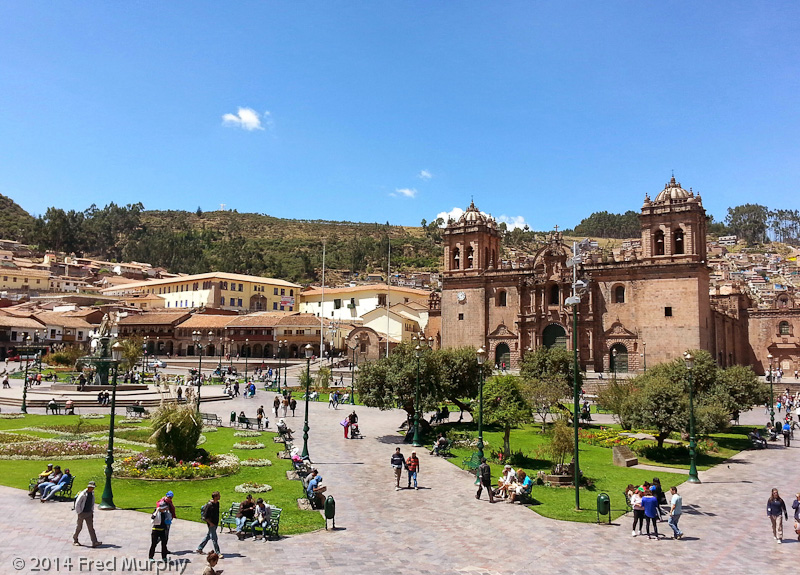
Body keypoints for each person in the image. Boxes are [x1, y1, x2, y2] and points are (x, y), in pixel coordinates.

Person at [73, 481, 101, 547]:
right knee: (79, 527)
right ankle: (75, 539)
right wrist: (79, 512)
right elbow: (77, 504)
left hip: (89, 513)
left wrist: (91, 510)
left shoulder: (92, 493)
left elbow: (92, 503)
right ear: (88, 487)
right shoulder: (83, 494)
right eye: (91, 487)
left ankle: (94, 542)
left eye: (93, 487)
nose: (92, 489)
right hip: (82, 513)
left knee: (91, 528)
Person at [196, 491, 222, 558]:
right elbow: (205, 516)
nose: (220, 496)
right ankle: (218, 553)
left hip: (215, 523)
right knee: (214, 538)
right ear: (215, 497)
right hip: (211, 524)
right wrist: (210, 523)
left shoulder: (217, 503)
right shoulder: (209, 505)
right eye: (219, 496)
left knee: (208, 536)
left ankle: (199, 548)